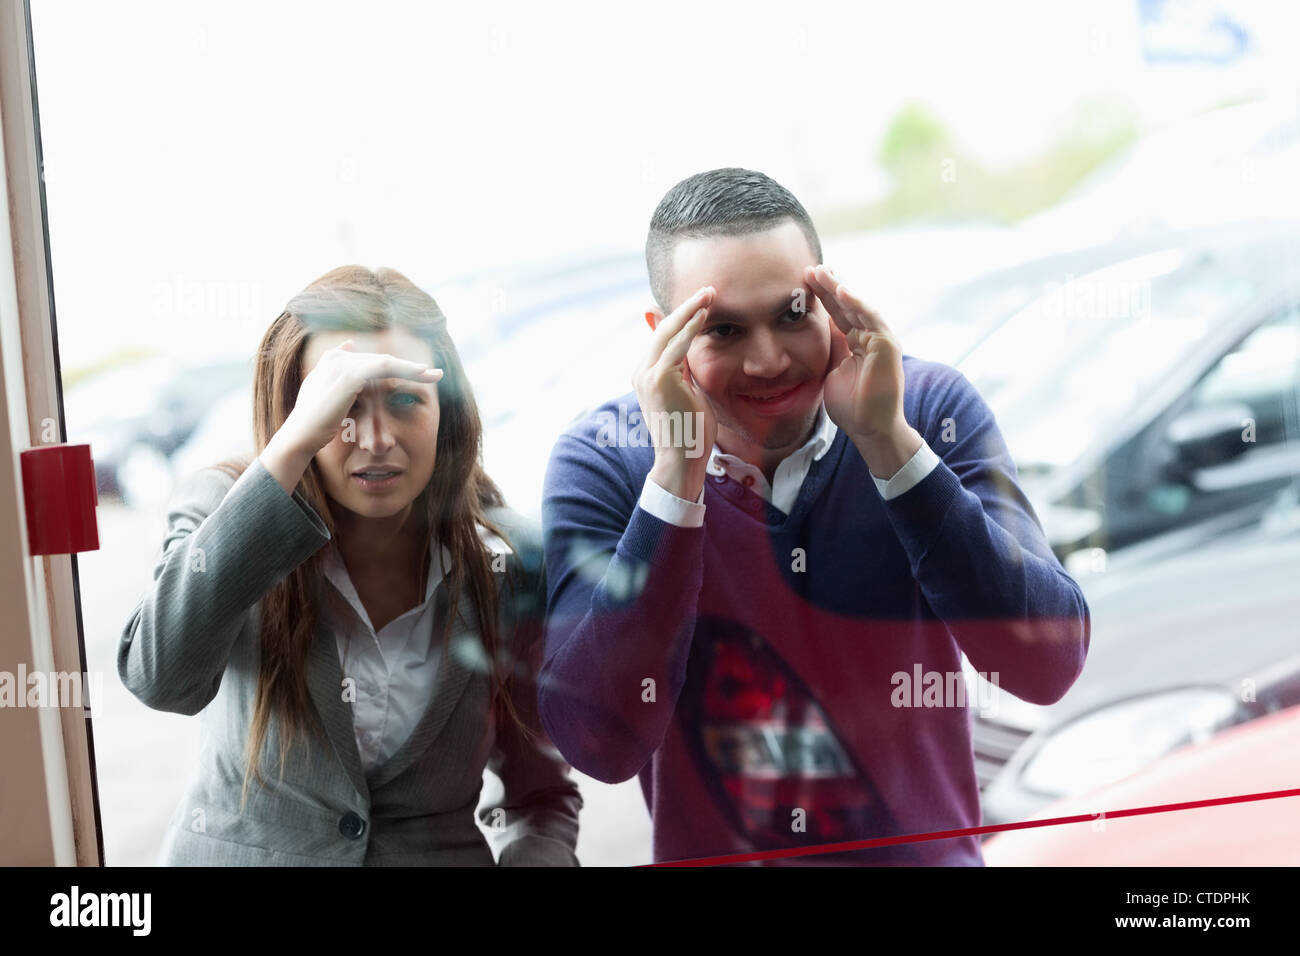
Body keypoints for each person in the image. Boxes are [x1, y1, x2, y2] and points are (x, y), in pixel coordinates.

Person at [538, 168, 1090, 865]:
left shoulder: (925, 410)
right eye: (724, 331)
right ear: (664, 341)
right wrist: (676, 481)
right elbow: (599, 742)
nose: (768, 360)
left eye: (793, 313)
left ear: (832, 298)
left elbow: (1045, 665)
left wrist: (889, 445)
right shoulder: (605, 462)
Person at [119, 265, 581, 866]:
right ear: (296, 410)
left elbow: (538, 793)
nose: (377, 437)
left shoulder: (507, 557)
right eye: (342, 404)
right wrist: (287, 452)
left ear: (447, 412)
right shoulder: (223, 512)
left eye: (405, 399)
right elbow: (162, 680)